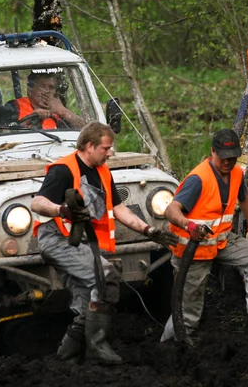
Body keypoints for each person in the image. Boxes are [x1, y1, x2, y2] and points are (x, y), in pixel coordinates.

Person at [31, 122, 178, 365]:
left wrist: (149, 230)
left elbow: (118, 209)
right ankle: (97, 347)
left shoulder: (102, 172)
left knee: (86, 300)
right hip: (57, 241)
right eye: (106, 148)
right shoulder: (63, 170)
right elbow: (37, 203)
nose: (110, 153)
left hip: (79, 243)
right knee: (106, 277)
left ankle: (65, 359)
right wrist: (62, 209)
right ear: (89, 146)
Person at [160, 128, 248, 343]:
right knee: (188, 308)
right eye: (224, 158)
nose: (228, 162)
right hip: (192, 250)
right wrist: (188, 225)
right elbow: (171, 210)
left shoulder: (236, 173)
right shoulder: (198, 179)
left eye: (233, 157)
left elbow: (245, 198)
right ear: (212, 152)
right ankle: (172, 344)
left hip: (221, 240)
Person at [0, 72, 85, 129]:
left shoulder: (59, 110)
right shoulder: (14, 107)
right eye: (42, 86)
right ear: (30, 90)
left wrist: (63, 112)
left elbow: (85, 132)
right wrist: (32, 118)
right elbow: (3, 135)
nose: (47, 91)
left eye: (51, 87)